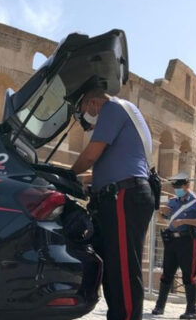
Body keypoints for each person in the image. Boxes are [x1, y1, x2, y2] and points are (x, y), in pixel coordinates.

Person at [71, 86, 154, 320]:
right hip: (118, 195)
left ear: (93, 103)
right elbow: (108, 164)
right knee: (112, 269)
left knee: (123, 269)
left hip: (124, 196)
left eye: (84, 109)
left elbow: (90, 155)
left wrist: (68, 174)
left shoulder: (112, 108)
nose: (86, 117)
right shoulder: (121, 113)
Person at [151, 173, 196, 319]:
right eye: (175, 187)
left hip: (188, 241)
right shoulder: (173, 202)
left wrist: (184, 221)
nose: (177, 189)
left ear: (187, 185)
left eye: (179, 186)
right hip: (172, 241)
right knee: (167, 273)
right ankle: (159, 306)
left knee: (188, 275)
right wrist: (160, 212)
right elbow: (164, 219)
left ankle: (192, 311)